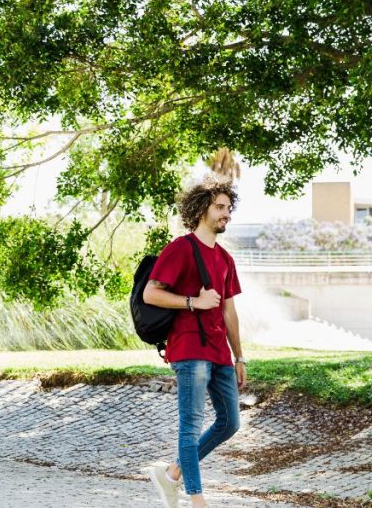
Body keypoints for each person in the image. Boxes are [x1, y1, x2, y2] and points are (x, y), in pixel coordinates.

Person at [143, 178, 246, 508]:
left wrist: (240, 357)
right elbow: (151, 293)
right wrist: (192, 302)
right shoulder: (180, 248)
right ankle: (197, 499)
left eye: (229, 209)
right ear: (202, 208)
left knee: (230, 422)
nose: (226, 214)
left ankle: (173, 472)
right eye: (220, 207)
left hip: (218, 351)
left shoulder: (225, 259)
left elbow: (229, 311)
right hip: (189, 349)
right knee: (190, 426)